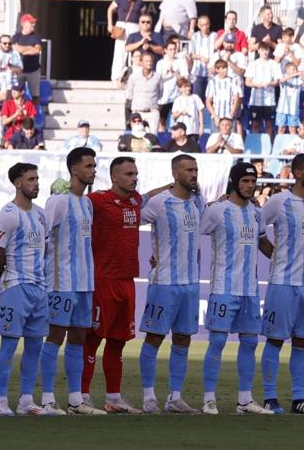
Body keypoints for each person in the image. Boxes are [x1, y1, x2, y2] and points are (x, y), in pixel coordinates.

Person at [200, 162, 274, 415]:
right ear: (234, 182)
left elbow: (263, 243)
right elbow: (193, 234)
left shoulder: (256, 212)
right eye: (245, 181)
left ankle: (245, 400)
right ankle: (209, 398)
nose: (250, 186)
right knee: (218, 341)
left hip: (250, 290)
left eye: (253, 182)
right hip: (223, 287)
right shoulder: (217, 211)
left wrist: (281, 259)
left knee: (250, 342)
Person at [259, 153, 304, 415]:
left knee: (303, 342)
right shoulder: (279, 201)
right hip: (283, 283)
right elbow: (256, 227)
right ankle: (269, 397)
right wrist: (273, 253)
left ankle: (299, 398)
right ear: (297, 173)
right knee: (275, 340)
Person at [38, 148, 106, 415]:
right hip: (61, 281)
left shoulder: (87, 203)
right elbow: (43, 236)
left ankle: (76, 400)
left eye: (94, 166)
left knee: (78, 338)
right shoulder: (59, 201)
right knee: (55, 337)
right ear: (74, 170)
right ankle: (47, 398)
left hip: (84, 283)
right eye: (88, 166)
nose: (93, 171)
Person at [137, 154, 206, 414]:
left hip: (190, 283)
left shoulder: (199, 201)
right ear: (175, 174)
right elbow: (135, 206)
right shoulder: (159, 203)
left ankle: (174, 397)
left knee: (183, 340)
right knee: (154, 338)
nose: (194, 174)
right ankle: (148, 397)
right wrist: (164, 187)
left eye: (196, 169)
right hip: (164, 282)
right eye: (189, 169)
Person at [0, 162, 53, 416]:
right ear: (17, 183)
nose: (36, 183)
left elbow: (46, 249)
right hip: (16, 286)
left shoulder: (40, 214)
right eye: (30, 179)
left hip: (39, 288)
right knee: (9, 345)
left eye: (37, 179)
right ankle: (1, 401)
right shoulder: (8, 213)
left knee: (35, 345)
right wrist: (9, 277)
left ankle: (26, 399)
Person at [82, 157, 144, 413]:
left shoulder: (136, 200)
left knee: (118, 341)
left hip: (127, 280)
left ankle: (114, 398)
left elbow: (149, 195)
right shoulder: (97, 200)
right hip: (103, 281)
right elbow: (70, 205)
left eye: (136, 173)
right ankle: (82, 397)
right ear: (115, 177)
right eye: (129, 174)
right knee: (92, 340)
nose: (134, 178)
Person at [108, 0, 145, 84]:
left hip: (135, 26)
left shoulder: (139, 1)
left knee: (134, 51)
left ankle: (132, 76)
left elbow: (143, 15)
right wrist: (110, 24)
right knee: (120, 50)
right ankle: (116, 76)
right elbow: (110, 9)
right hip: (122, 26)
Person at [13, 13, 44, 100]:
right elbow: (14, 48)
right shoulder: (16, 36)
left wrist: (22, 51)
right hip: (19, 71)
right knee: (17, 94)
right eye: (31, 22)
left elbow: (37, 50)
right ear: (23, 24)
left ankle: (35, 112)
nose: (33, 24)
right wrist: (30, 47)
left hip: (33, 70)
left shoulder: (36, 36)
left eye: (34, 22)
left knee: (35, 96)